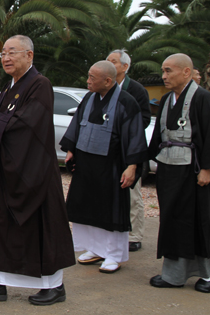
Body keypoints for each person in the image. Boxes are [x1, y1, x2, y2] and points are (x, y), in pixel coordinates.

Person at [0, 35, 75, 306]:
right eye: (3, 53)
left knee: (41, 228)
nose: (6, 58)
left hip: (33, 173)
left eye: (12, 52)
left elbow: (27, 124)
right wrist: (1, 122)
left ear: (30, 56)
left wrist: (0, 123)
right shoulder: (9, 86)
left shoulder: (40, 85)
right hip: (8, 172)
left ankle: (53, 286)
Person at [60, 60, 148, 274]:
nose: (88, 81)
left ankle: (113, 254)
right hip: (87, 164)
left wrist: (132, 166)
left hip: (112, 165)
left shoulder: (126, 102)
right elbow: (76, 125)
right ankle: (94, 249)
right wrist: (70, 149)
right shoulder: (89, 98)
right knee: (87, 206)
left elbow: (135, 136)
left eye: (92, 78)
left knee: (111, 210)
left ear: (108, 81)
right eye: (88, 76)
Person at [148, 53, 210, 293]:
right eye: (163, 70)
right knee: (172, 221)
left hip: (195, 173)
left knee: (200, 222)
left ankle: (209, 276)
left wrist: (208, 170)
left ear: (187, 72)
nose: (163, 76)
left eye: (169, 71)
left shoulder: (203, 98)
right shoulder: (168, 99)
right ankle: (173, 276)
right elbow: (158, 138)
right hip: (169, 171)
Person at [106, 49, 151, 252]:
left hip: (129, 149)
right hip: (106, 150)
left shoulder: (137, 90)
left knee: (132, 193)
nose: (109, 64)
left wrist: (121, 130)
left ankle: (134, 235)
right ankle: (110, 231)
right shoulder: (102, 86)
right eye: (107, 61)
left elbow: (145, 119)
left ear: (125, 67)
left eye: (113, 61)